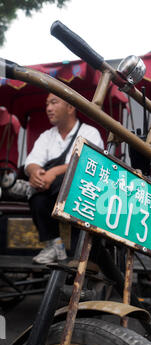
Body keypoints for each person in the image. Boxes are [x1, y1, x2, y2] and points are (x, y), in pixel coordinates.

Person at [14, 93, 104, 264]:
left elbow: (88, 163)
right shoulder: (47, 136)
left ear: (71, 107)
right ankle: (55, 246)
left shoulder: (89, 132)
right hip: (48, 191)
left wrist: (54, 172)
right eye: (47, 104)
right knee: (38, 197)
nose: (48, 108)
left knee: (65, 182)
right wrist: (35, 173)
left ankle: (84, 253)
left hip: (83, 195)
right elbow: (32, 162)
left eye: (54, 103)